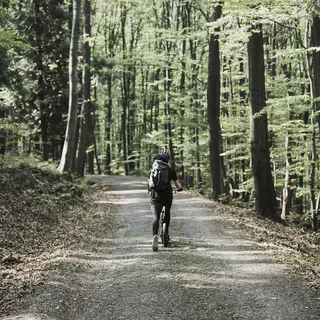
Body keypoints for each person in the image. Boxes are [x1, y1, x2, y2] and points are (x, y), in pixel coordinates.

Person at [147, 151, 183, 251]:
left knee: (156, 216)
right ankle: (165, 233)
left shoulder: (153, 169)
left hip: (155, 195)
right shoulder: (170, 171)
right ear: (168, 160)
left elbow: (149, 183)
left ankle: (155, 236)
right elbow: (177, 184)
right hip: (167, 196)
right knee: (167, 212)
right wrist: (180, 188)